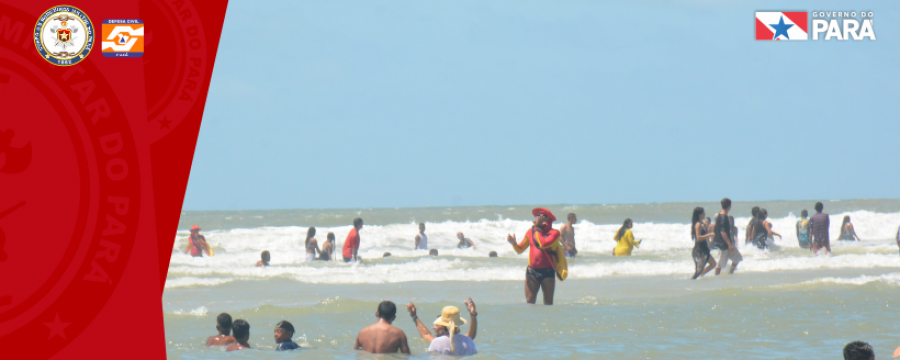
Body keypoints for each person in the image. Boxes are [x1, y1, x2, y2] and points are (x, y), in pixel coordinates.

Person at [507, 207, 568, 305]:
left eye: (542, 216)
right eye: (537, 216)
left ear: (549, 219)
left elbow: (543, 244)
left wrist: (538, 229)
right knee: (530, 301)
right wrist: (514, 243)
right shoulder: (530, 232)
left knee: (548, 303)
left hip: (548, 271)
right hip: (532, 271)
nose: (538, 218)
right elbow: (520, 250)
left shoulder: (555, 233)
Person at [407, 297, 478, 356]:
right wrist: (473, 315)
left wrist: (414, 316)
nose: (433, 327)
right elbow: (426, 335)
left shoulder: (437, 343)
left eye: (437, 325)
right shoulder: (469, 341)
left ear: (444, 328)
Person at [713, 198, 741, 275]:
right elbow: (723, 232)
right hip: (724, 244)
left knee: (738, 258)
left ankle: (730, 273)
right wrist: (729, 244)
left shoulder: (720, 216)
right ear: (729, 206)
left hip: (725, 243)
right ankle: (716, 277)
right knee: (720, 264)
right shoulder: (723, 217)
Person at [690, 207, 716, 279]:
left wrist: (705, 226)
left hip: (702, 248)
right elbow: (698, 238)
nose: (704, 214)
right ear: (699, 214)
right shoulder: (698, 224)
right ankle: (698, 277)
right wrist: (710, 234)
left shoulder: (699, 223)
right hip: (700, 249)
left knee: (710, 265)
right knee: (711, 264)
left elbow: (704, 233)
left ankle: (699, 277)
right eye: (703, 213)